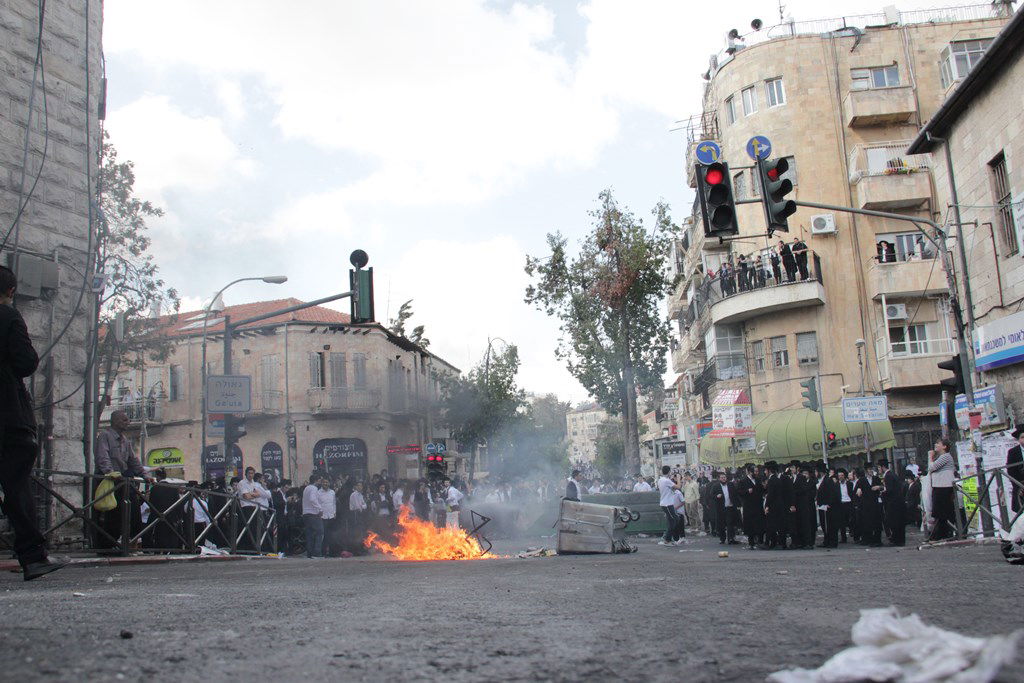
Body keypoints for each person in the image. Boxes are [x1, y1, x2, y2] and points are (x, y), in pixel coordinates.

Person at [0, 266, 65, 580]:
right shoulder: (10, 318)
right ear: (11, 291)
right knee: (17, 486)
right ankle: (33, 557)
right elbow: (26, 363)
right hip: (9, 415)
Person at [94, 409, 149, 550]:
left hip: (123, 479)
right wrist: (110, 472)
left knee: (132, 509)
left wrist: (145, 475)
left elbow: (133, 460)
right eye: (124, 420)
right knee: (111, 513)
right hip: (109, 480)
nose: (128, 422)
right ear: (115, 421)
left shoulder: (125, 440)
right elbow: (103, 457)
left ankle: (130, 540)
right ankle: (107, 545)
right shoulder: (105, 436)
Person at [928, 438, 957, 540]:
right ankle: (940, 533)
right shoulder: (941, 457)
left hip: (944, 487)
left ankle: (944, 533)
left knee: (942, 512)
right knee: (939, 512)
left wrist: (930, 457)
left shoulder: (946, 456)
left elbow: (932, 467)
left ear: (944, 446)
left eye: (938, 443)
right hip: (939, 486)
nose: (935, 445)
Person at [879, 459, 905, 546]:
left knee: (893, 522)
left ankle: (896, 540)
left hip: (893, 503)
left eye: (879, 467)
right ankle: (900, 540)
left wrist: (881, 492)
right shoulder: (893, 474)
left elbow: (889, 490)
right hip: (898, 502)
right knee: (898, 522)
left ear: (882, 467)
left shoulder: (888, 476)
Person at [854, 467, 883, 546]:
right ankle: (867, 539)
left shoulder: (876, 478)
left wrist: (878, 487)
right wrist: (859, 489)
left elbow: (882, 487)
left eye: (871, 470)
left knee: (876, 522)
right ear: (866, 471)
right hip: (865, 505)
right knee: (866, 522)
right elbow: (856, 490)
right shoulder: (862, 480)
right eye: (869, 470)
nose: (871, 471)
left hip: (875, 503)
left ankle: (877, 540)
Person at [739, 465, 765, 549]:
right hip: (749, 507)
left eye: (757, 471)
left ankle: (760, 541)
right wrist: (747, 491)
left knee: (759, 523)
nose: (757, 473)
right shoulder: (743, 481)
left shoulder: (758, 480)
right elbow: (739, 492)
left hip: (758, 505)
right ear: (750, 472)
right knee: (750, 525)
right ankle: (751, 542)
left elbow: (762, 490)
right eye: (755, 471)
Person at [815, 464, 840, 548]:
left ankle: (832, 541)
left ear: (820, 472)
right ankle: (826, 540)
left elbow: (832, 493)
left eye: (816, 471)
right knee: (824, 524)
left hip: (827, 506)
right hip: (822, 505)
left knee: (829, 525)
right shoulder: (822, 480)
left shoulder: (828, 480)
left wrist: (829, 503)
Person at [710, 471, 738, 545]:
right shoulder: (716, 486)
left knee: (730, 524)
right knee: (721, 524)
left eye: (724, 477)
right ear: (719, 479)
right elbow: (711, 495)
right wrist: (716, 496)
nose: (723, 479)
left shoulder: (730, 485)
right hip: (721, 508)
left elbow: (735, 494)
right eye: (722, 478)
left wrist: (737, 504)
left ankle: (731, 538)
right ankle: (722, 538)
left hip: (730, 507)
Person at [657, 466, 682, 546]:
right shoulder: (666, 481)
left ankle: (668, 538)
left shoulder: (660, 480)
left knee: (672, 521)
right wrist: (678, 478)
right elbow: (678, 487)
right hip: (667, 504)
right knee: (675, 519)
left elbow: (671, 489)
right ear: (669, 472)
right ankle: (667, 539)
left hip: (666, 503)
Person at [301, 473, 324, 558]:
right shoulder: (314, 488)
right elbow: (312, 499)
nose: (320, 482)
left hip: (306, 514)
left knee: (309, 534)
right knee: (320, 532)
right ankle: (317, 553)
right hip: (313, 514)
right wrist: (320, 509)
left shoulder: (306, 488)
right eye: (319, 480)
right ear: (316, 480)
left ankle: (310, 553)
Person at [1006, 427, 1024, 513]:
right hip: (1020, 485)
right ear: (1018, 440)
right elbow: (1011, 471)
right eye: (1023, 437)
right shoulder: (1013, 452)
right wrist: (1019, 485)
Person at [319, 477, 337, 556]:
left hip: (331, 516)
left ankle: (332, 552)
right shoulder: (318, 492)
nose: (325, 484)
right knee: (325, 535)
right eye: (324, 482)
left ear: (329, 483)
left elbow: (334, 503)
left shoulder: (332, 492)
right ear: (321, 483)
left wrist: (334, 512)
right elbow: (318, 504)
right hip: (323, 517)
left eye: (327, 482)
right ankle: (323, 552)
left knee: (332, 535)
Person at [836, 469, 855, 543]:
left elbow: (852, 494)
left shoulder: (849, 484)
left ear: (845, 476)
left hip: (849, 503)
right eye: (839, 476)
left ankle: (853, 532)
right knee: (842, 522)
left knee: (851, 520)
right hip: (841, 504)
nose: (840, 477)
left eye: (842, 475)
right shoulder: (837, 485)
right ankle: (843, 538)